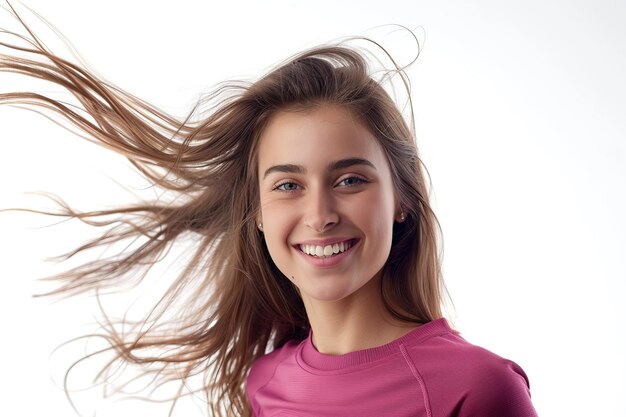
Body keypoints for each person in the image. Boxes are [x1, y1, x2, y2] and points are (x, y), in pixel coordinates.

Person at [0, 4, 538, 417]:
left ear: (402, 200)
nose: (320, 213)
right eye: (287, 185)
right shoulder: (266, 383)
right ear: (256, 212)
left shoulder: (476, 387)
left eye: (350, 179)